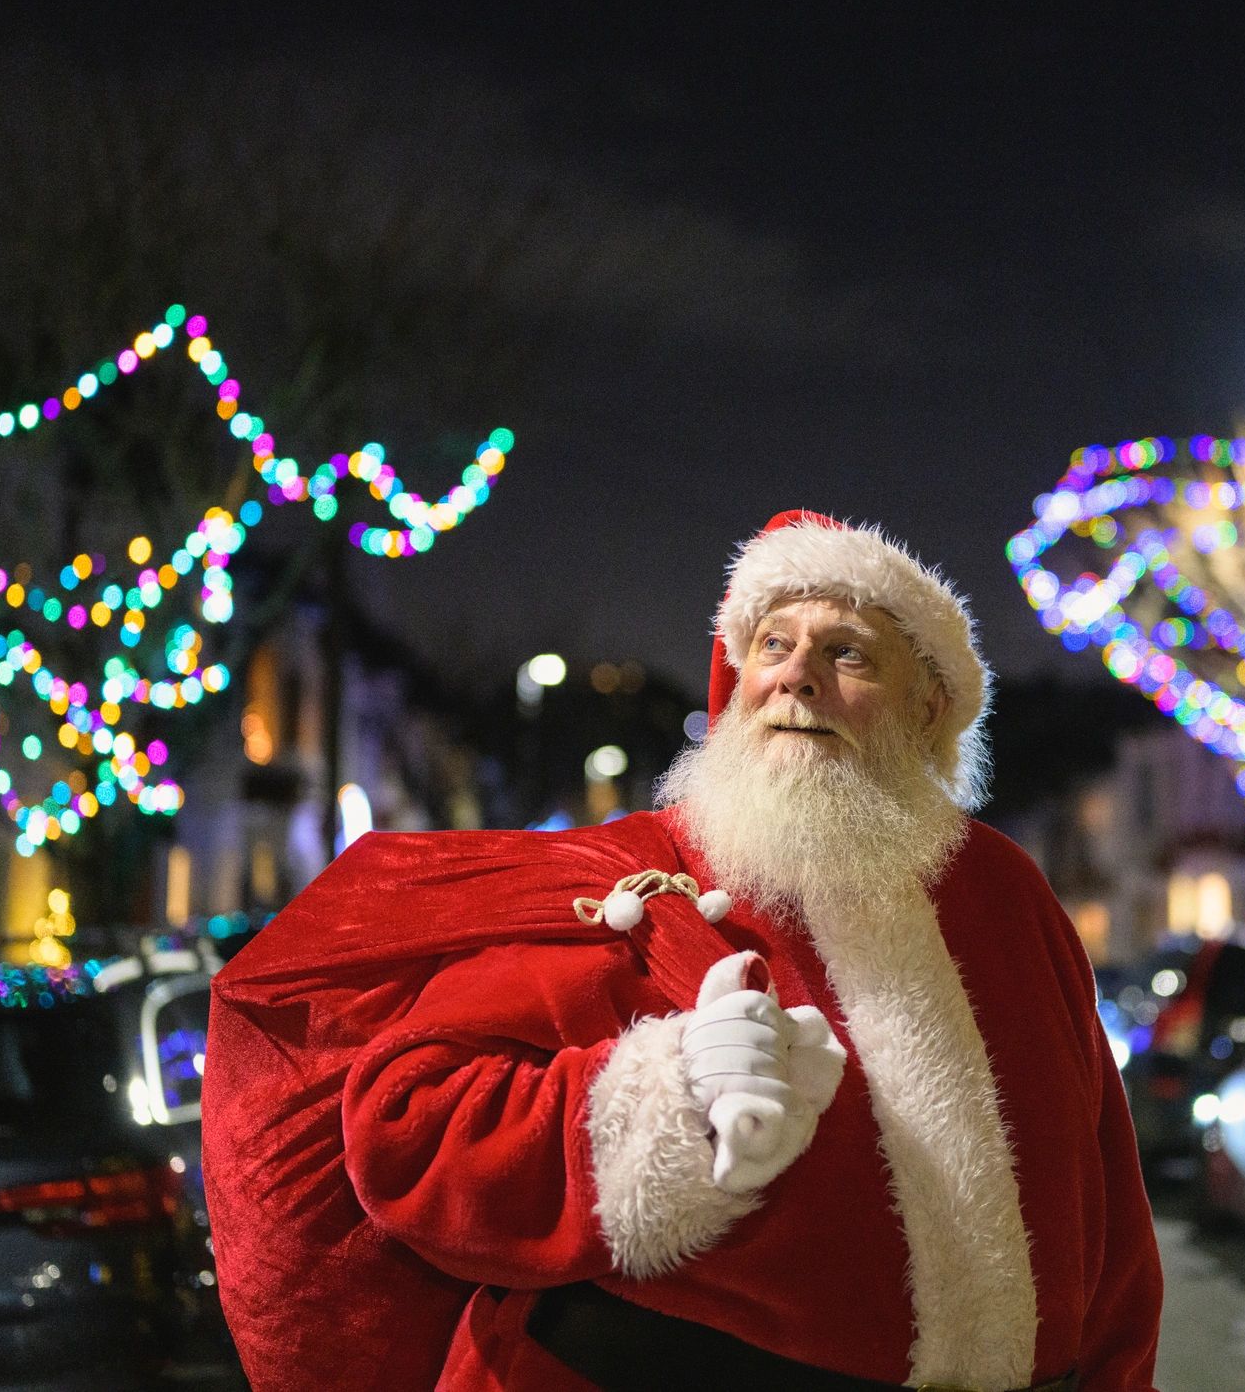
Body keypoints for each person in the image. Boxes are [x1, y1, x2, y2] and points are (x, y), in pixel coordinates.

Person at [204, 510, 1162, 1391]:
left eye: (848, 653)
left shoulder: (1005, 895)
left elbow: (1109, 1214)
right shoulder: (632, 879)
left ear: (926, 711)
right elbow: (411, 1125)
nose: (797, 675)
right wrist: (666, 1097)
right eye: (773, 647)